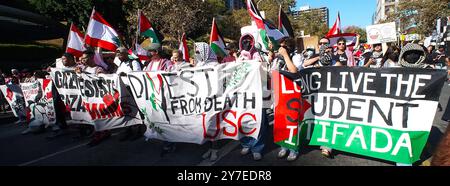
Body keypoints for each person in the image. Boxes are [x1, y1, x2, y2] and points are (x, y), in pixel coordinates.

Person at [75, 49, 110, 147]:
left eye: (85, 58)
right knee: (92, 116)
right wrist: (78, 73)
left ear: (91, 58)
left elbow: (104, 79)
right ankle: (101, 132)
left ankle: (100, 134)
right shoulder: (83, 69)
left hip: (97, 97)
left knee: (99, 116)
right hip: (87, 97)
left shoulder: (98, 69)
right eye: (82, 58)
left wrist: (100, 75)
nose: (83, 60)